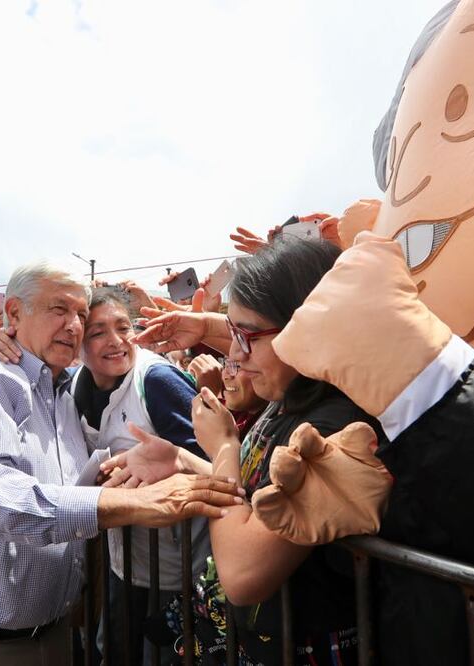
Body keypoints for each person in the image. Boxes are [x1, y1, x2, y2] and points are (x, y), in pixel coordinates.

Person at [0, 260, 243, 666]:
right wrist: (130, 505)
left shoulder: (62, 396)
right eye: (59, 309)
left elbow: (63, 486)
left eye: (80, 314)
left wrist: (127, 465)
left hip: (52, 639)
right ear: (13, 313)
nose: (74, 325)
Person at [116, 238, 376, 664]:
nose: (235, 353)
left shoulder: (335, 428)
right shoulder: (293, 393)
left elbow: (242, 573)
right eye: (233, 333)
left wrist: (221, 447)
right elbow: (250, 501)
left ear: (308, 328)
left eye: (246, 336)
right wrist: (182, 459)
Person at [72, 288, 210, 665]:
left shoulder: (157, 380)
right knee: (112, 652)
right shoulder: (72, 390)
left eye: (123, 327)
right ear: (78, 342)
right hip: (123, 564)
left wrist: (162, 473)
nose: (116, 342)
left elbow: (214, 465)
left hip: (180, 574)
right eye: (98, 332)